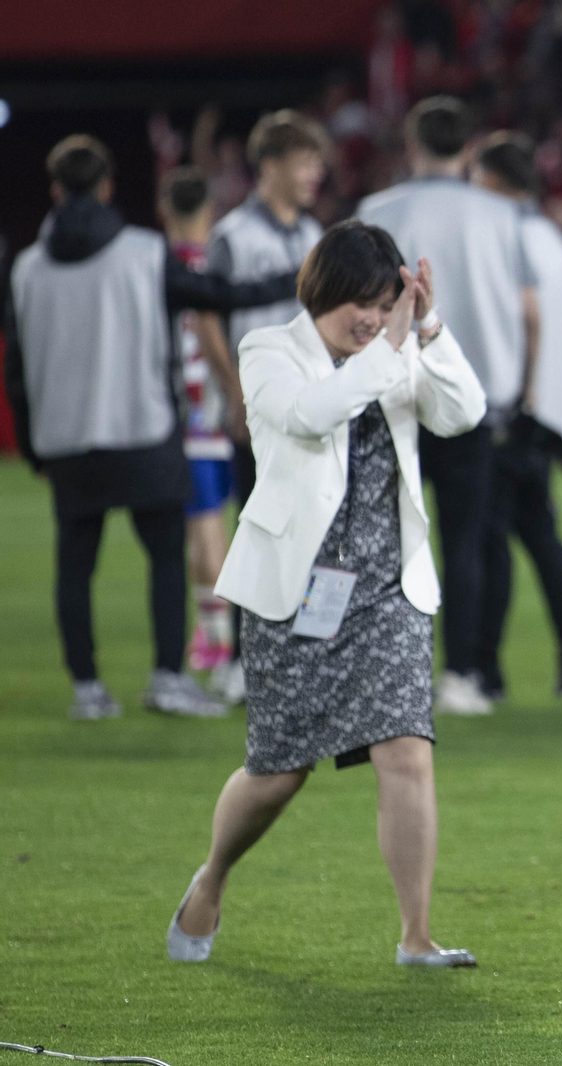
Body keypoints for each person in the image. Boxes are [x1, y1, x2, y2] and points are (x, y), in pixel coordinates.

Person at [168, 220, 486, 967]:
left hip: (390, 586)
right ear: (322, 292)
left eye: (385, 302)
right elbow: (310, 415)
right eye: (360, 303)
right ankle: (210, 878)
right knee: (278, 772)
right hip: (295, 589)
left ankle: (416, 936)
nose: (373, 318)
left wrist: (429, 327)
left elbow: (465, 411)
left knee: (407, 749)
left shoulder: (395, 349)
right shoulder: (270, 351)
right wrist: (388, 351)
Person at [4, 135, 299, 721]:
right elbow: (217, 294)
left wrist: (36, 443)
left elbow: (16, 367)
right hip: (142, 424)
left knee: (76, 564)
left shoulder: (27, 267)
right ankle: (167, 676)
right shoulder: (144, 251)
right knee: (167, 555)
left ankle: (88, 688)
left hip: (67, 434)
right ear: (109, 186)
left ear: (57, 190)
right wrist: (301, 279)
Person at [359, 97, 539, 716]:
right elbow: (521, 307)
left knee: (389, 540)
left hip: (393, 397)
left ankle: (390, 673)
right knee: (467, 541)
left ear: (411, 145)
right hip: (474, 400)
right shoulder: (503, 216)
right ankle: (463, 673)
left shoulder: (377, 211)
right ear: (469, 150)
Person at [204, 109, 329, 703]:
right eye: (304, 161)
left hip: (312, 411)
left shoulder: (312, 236)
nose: (314, 174)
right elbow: (207, 316)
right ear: (270, 165)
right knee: (255, 532)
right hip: (258, 410)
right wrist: (233, 393)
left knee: (313, 535)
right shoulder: (233, 235)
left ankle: (299, 661)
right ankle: (239, 659)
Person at [469, 131, 562, 701]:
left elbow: (525, 320)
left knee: (490, 543)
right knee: (543, 543)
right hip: (551, 416)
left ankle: (484, 671)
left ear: (492, 182)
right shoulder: (554, 241)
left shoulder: (507, 236)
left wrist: (518, 399)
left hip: (516, 412)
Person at [158, 167, 236, 674]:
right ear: (208, 211)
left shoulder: (157, 268)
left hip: (192, 422)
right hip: (224, 418)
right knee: (219, 534)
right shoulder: (221, 264)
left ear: (166, 211)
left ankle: (220, 641)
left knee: (203, 538)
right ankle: (217, 634)